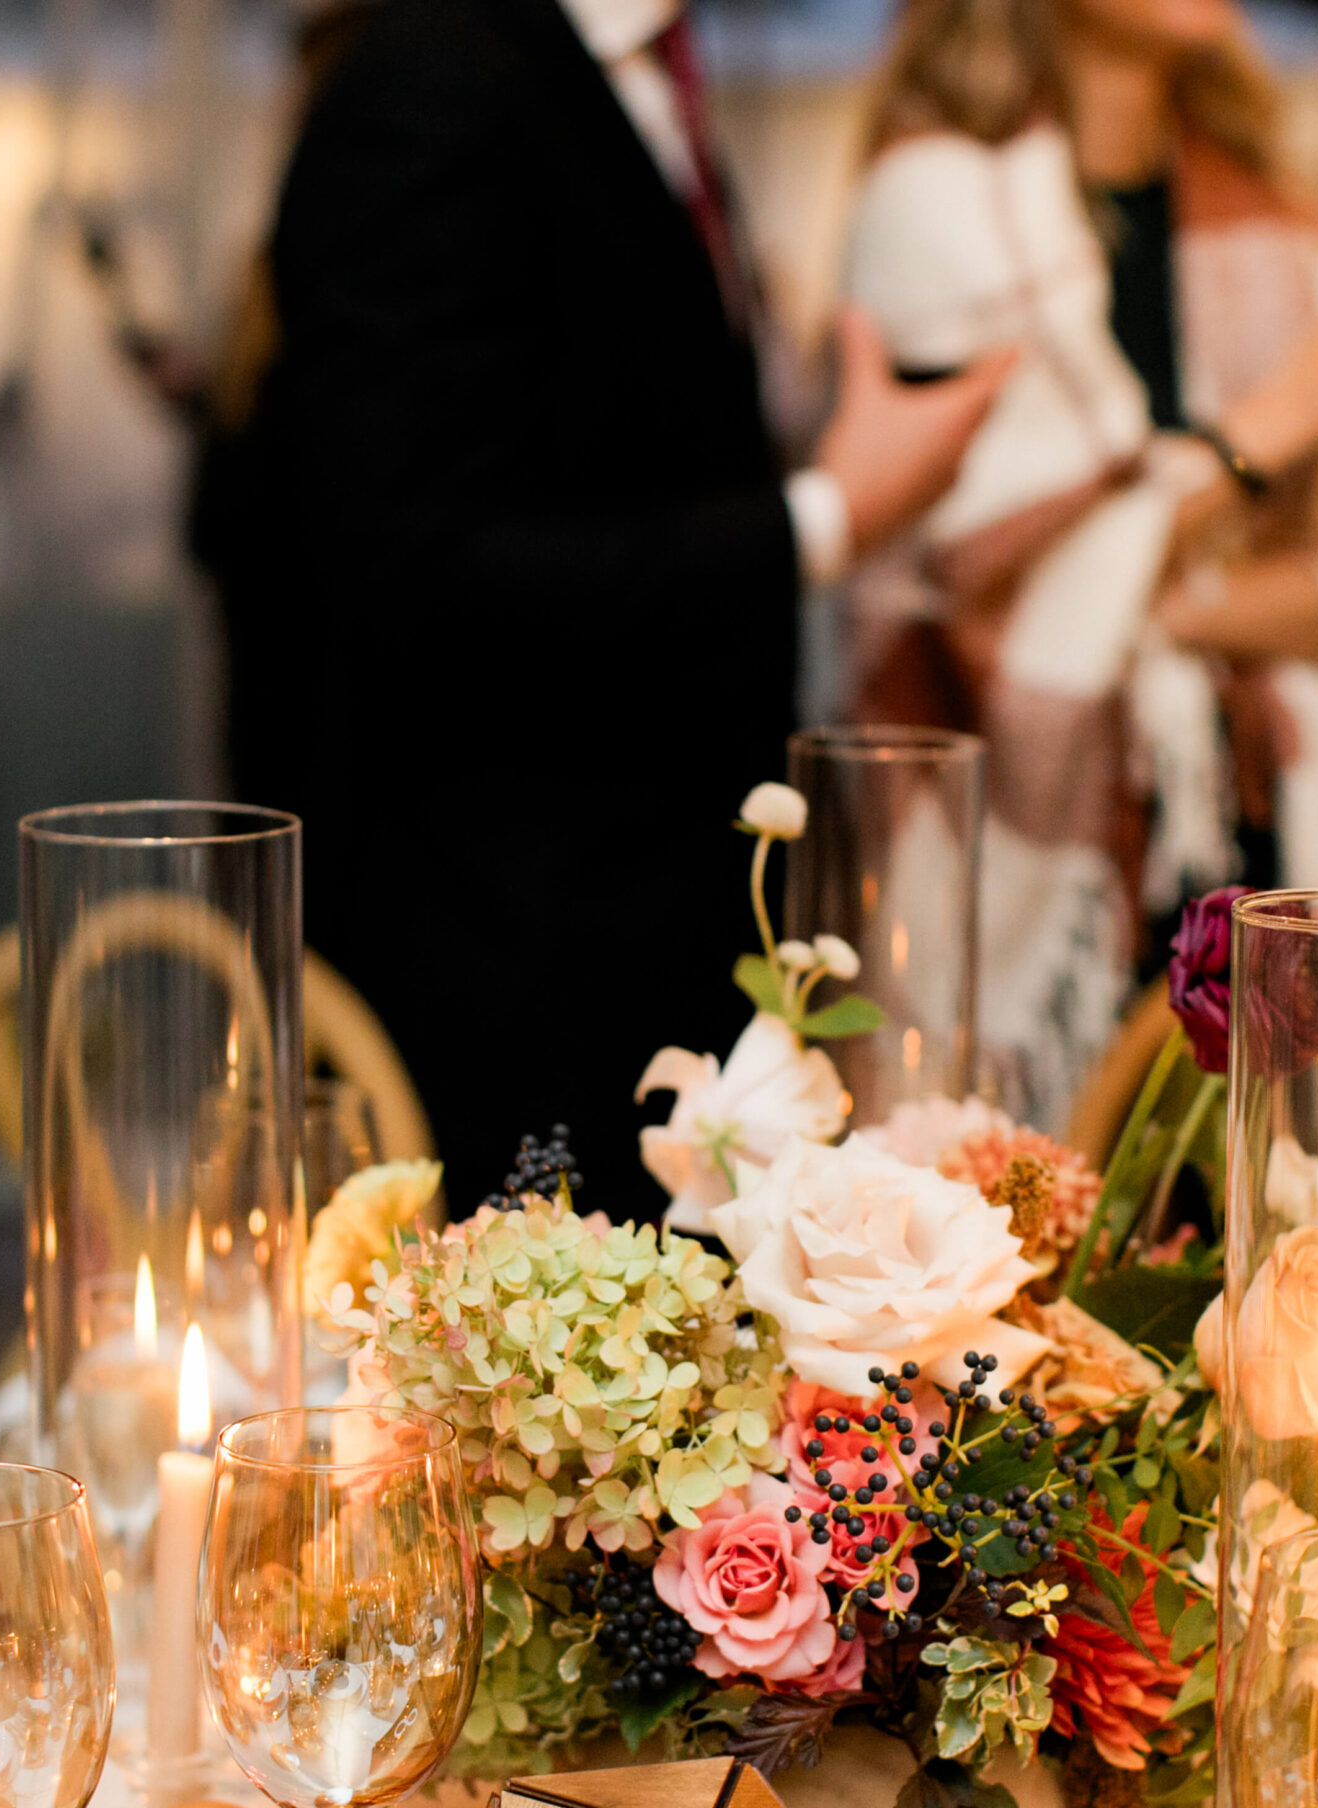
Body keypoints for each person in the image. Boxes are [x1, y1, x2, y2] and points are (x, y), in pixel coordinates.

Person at [197, 0, 1011, 1218]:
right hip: (514, 991)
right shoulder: (434, 81)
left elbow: (599, 458)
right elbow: (416, 572)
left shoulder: (632, 79)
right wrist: (825, 516)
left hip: (654, 963)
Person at [843, 0, 1318, 1131]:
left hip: (1271, 864)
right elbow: (974, 592)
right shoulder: (933, 203)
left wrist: (1152, 597)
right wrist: (1265, 432)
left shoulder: (1273, 207)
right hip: (1033, 897)